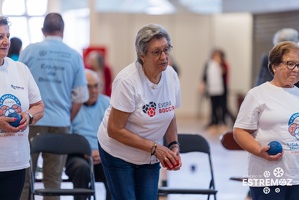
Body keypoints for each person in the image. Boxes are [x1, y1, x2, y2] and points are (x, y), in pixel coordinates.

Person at [97, 23, 182, 200]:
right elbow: (115, 130)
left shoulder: (171, 76)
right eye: (156, 52)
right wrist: (154, 147)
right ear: (142, 55)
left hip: (150, 155)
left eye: (166, 49)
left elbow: (169, 114)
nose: (164, 56)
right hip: (118, 153)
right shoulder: (127, 81)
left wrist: (173, 145)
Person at [19, 13, 89, 200]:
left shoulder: (29, 51)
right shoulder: (74, 56)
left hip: (31, 121)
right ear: (63, 30)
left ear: (43, 30)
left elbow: (17, 87)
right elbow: (80, 97)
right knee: (53, 180)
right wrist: (66, 118)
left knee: (25, 179)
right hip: (60, 123)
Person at [233, 41, 299, 200]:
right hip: (267, 176)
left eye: (298, 65)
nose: (296, 69)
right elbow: (240, 131)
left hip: (296, 176)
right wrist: (258, 151)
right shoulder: (257, 94)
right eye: (290, 64)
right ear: (274, 66)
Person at [0, 16, 44, 200]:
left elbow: (39, 106)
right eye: (0, 36)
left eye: (7, 36)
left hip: (15, 162)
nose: (6, 41)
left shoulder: (21, 70)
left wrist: (29, 116)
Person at [65, 69, 111, 200]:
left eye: (96, 86)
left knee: (115, 168)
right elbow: (67, 136)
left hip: (104, 155)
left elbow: (114, 134)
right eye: (89, 87)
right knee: (81, 168)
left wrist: (102, 152)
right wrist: (85, 152)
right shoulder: (71, 105)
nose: (94, 90)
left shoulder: (108, 104)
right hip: (77, 156)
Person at [202, 48, 227, 127]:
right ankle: (214, 120)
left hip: (220, 88)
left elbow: (224, 73)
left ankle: (222, 121)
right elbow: (205, 75)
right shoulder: (209, 64)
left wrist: (219, 64)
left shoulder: (222, 64)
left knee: (222, 106)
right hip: (212, 88)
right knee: (213, 105)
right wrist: (203, 84)